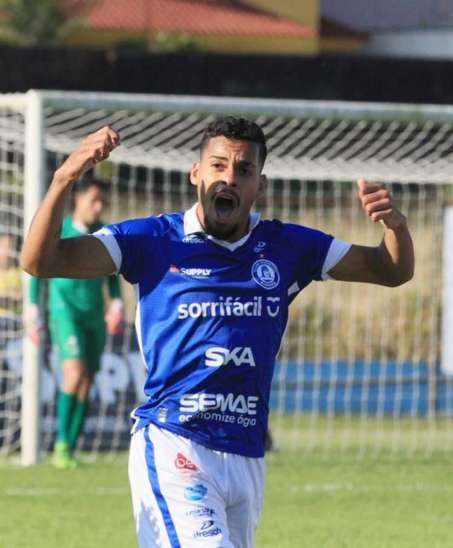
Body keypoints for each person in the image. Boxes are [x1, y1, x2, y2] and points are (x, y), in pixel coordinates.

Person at [21, 117, 414, 547]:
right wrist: (64, 177)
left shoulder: (288, 247)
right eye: (218, 165)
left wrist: (395, 226)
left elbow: (390, 270)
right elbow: (42, 261)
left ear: (259, 186)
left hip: (245, 453)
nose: (229, 178)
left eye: (243, 170)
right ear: (197, 173)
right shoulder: (151, 240)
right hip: (175, 441)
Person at [26, 176, 124, 469]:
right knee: (74, 371)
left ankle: (70, 444)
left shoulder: (103, 233)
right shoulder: (61, 230)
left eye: (102, 202)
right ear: (78, 199)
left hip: (94, 313)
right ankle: (60, 445)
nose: (98, 206)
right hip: (63, 310)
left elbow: (113, 270)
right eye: (93, 200)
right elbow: (36, 264)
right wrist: (33, 306)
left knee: (88, 379)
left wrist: (116, 301)